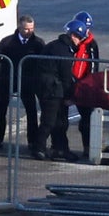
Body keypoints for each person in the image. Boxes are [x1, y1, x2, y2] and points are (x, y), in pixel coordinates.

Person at [0, 14, 45, 152]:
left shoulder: (38, 43)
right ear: (19, 27)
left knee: (31, 111)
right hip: (8, 79)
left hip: (27, 82)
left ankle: (32, 142)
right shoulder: (8, 42)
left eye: (31, 29)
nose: (29, 32)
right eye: (26, 29)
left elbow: (45, 61)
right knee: (0, 110)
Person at [32, 19, 88, 162]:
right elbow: (65, 76)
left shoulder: (57, 46)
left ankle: (61, 149)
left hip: (52, 89)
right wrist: (70, 96)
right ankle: (39, 148)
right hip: (52, 90)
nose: (79, 41)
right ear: (72, 35)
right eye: (79, 37)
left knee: (61, 122)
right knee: (49, 121)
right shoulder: (64, 51)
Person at [71, 11, 100, 158]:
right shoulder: (72, 42)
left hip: (84, 87)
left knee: (87, 120)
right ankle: (58, 146)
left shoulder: (91, 45)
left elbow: (94, 67)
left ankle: (88, 148)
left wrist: (88, 86)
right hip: (71, 84)